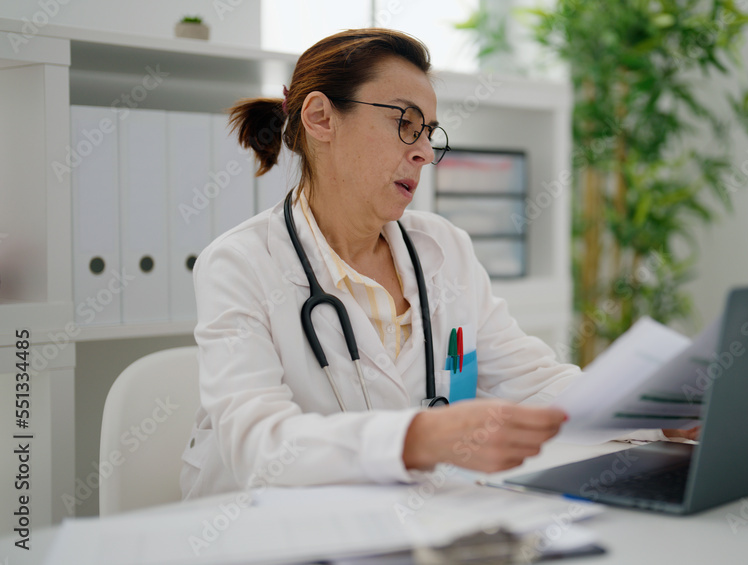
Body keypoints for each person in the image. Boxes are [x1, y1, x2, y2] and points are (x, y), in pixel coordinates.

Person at [180, 28, 693, 499]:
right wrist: (418, 438)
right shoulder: (239, 264)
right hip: (268, 533)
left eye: (430, 132)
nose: (425, 152)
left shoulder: (443, 249)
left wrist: (660, 417)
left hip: (405, 522)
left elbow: (536, 382)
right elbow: (259, 446)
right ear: (320, 118)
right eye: (406, 123)